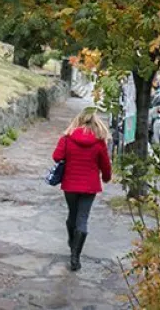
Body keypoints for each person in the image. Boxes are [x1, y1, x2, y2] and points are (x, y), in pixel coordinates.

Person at [52, 108, 112, 271]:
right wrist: (106, 177)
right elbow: (105, 164)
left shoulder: (67, 138)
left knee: (72, 214)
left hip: (70, 184)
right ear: (95, 122)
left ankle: (72, 243)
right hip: (90, 186)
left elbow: (57, 157)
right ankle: (75, 257)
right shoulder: (99, 142)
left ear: (78, 120)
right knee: (83, 217)